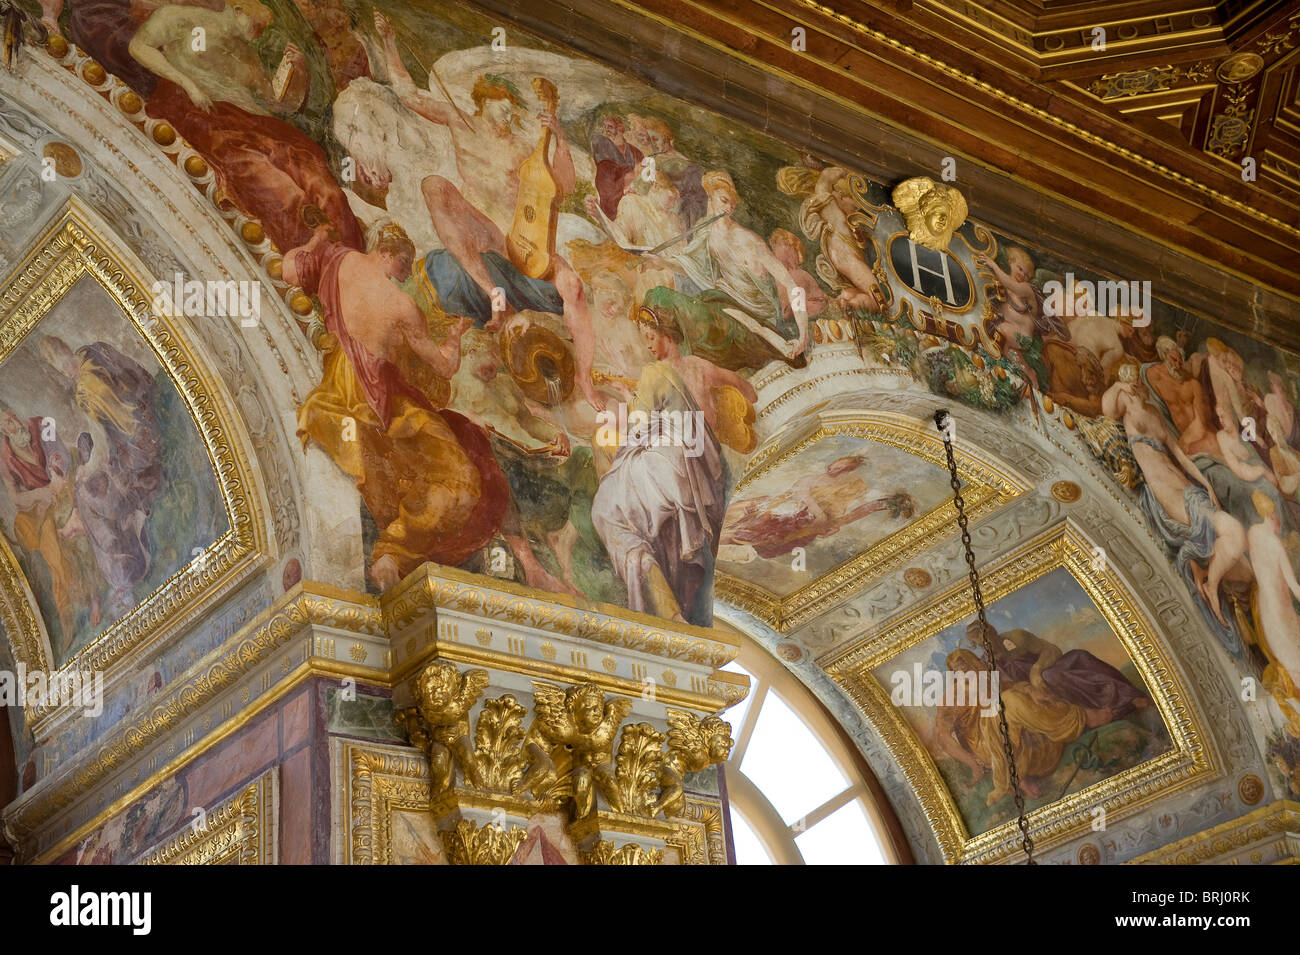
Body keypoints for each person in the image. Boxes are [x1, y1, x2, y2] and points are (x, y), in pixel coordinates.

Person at [374, 13, 605, 410]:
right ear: (486, 101)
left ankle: (584, 377)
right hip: (484, 232)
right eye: (506, 107)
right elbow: (410, 96)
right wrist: (390, 41)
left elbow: (562, 187)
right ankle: (492, 291)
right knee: (435, 186)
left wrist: (560, 139)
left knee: (574, 288)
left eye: (514, 109)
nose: (511, 115)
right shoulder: (460, 123)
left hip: (525, 241)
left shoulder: (522, 146)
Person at [128, 0, 363, 252]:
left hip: (257, 125)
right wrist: (189, 85)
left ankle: (351, 262)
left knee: (325, 185)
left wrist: (300, 72)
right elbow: (138, 46)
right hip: (208, 120)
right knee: (284, 193)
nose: (259, 34)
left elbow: (278, 103)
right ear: (239, 9)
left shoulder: (248, 53)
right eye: (257, 25)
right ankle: (316, 258)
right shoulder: (181, 18)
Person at [590, 306, 732, 625]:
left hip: (668, 465)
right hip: (694, 472)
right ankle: (672, 607)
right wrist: (633, 395)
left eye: (652, 337)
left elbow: (639, 428)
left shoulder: (654, 373)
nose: (649, 345)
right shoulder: (688, 371)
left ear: (667, 336)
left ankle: (653, 594)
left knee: (604, 505)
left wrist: (625, 411)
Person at [1102, 364, 1247, 644]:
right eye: (1129, 383)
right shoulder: (1128, 413)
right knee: (1233, 530)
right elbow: (1107, 410)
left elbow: (1180, 455)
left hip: (1185, 484)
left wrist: (1205, 484)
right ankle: (1210, 584)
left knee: (1235, 543)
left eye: (1136, 382)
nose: (1136, 387)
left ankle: (1208, 577)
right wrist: (1118, 387)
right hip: (1164, 490)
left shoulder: (1154, 413)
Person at [642, 170, 809, 371]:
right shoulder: (707, 235)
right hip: (724, 306)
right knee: (663, 300)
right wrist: (661, 262)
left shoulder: (750, 242)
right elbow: (691, 267)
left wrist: (803, 335)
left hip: (758, 318)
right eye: (723, 201)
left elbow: (792, 285)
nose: (728, 208)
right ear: (710, 199)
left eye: (732, 203)